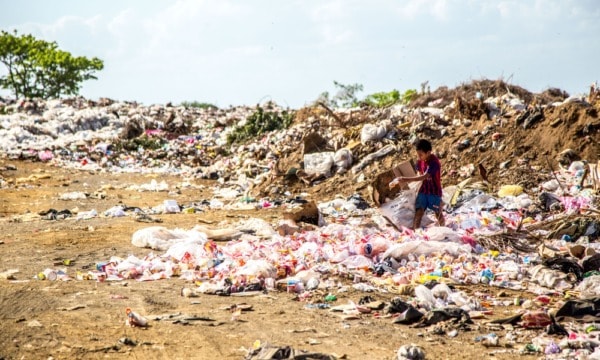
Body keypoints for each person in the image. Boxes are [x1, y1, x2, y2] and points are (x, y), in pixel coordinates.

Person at [389, 139, 445, 229]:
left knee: (438, 212)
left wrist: (404, 179)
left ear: (428, 152)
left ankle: (444, 229)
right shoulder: (420, 161)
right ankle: (416, 233)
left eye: (421, 155)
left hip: (434, 191)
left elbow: (424, 176)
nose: (419, 157)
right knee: (419, 212)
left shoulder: (434, 163)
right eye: (417, 155)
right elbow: (419, 174)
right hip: (423, 190)